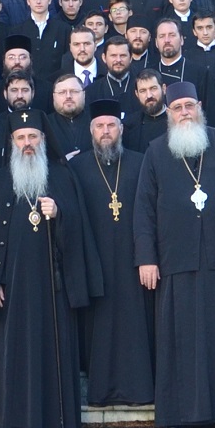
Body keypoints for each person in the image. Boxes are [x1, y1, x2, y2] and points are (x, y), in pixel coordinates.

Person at [134, 81, 215, 428]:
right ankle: (178, 415)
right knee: (179, 340)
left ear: (200, 106)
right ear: (168, 114)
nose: (184, 112)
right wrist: (147, 258)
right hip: (176, 260)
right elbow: (143, 211)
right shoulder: (157, 151)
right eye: (178, 108)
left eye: (189, 105)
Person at [0, 108, 97, 428]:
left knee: (53, 352)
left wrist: (60, 213)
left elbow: (80, 231)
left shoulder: (62, 176)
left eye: (33, 137)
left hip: (52, 284)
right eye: (21, 138)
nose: (27, 143)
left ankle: (57, 419)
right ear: (12, 141)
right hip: (13, 287)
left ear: (43, 140)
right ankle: (13, 422)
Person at [69, 99, 153, 407]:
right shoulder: (76, 167)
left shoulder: (141, 162)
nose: (106, 132)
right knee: (99, 327)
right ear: (91, 131)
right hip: (96, 259)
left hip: (134, 258)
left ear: (121, 129)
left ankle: (139, 390)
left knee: (136, 325)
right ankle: (101, 392)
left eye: (111, 126)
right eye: (100, 127)